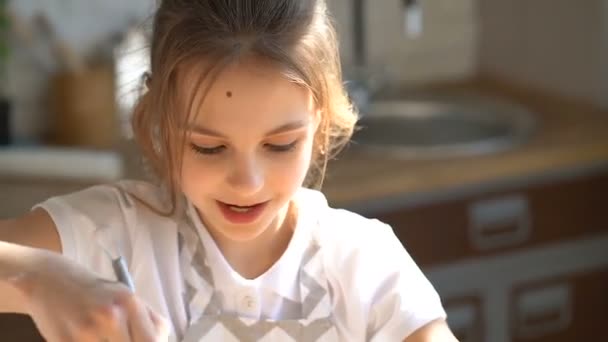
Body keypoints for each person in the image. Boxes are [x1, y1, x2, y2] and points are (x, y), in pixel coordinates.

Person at [0, 0, 458, 341]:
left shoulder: (365, 263)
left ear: (319, 119)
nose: (248, 182)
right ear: (160, 119)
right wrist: (39, 276)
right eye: (209, 147)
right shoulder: (110, 235)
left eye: (280, 145)